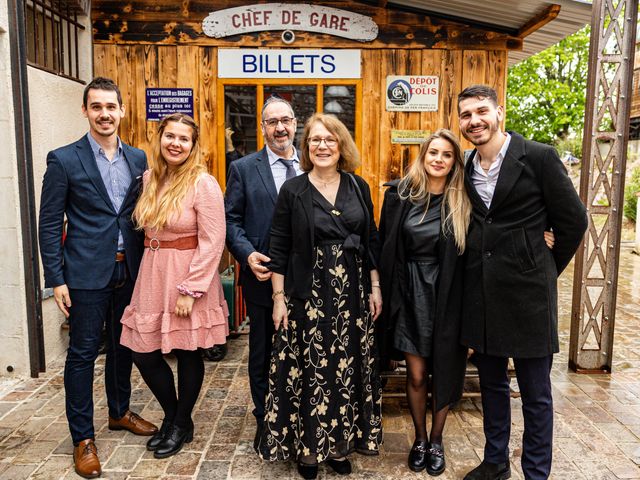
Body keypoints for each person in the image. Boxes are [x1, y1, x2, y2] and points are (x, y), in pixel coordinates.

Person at [457, 85, 587, 480]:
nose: (474, 121)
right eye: (466, 115)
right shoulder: (466, 165)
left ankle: (535, 473)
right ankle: (495, 463)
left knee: (535, 394)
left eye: (481, 111)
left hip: (530, 297)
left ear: (500, 112)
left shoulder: (540, 157)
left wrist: (545, 265)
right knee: (492, 386)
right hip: (483, 294)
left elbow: (574, 221)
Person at [38, 77, 157, 479]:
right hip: (85, 274)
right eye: (97, 107)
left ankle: (120, 411)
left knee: (124, 347)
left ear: (122, 111)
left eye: (111, 107)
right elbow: (50, 222)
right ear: (86, 111)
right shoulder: (64, 159)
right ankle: (82, 438)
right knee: (84, 354)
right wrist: (56, 278)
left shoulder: (139, 159)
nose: (105, 114)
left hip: (130, 270)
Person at [259, 113, 383, 480]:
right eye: (315, 140)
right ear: (307, 147)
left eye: (330, 139)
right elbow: (278, 246)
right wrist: (278, 298)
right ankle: (310, 449)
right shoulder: (294, 191)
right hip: (307, 294)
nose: (323, 146)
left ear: (341, 145)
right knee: (313, 370)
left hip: (352, 295)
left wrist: (375, 288)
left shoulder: (359, 186)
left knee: (346, 368)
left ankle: (341, 444)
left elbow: (371, 240)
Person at [119, 113, 228, 458]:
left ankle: (180, 423)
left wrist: (191, 289)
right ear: (160, 138)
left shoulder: (202, 183)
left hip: (187, 274)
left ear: (193, 146)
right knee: (142, 351)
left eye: (184, 139)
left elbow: (214, 240)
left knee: (187, 350)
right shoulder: (149, 178)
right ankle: (174, 414)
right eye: (170, 136)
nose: (175, 144)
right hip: (153, 273)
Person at [378, 129, 471, 476]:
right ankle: (419, 439)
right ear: (423, 155)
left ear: (454, 163)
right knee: (416, 375)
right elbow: (384, 247)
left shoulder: (464, 202)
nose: (439, 159)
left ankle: (437, 440)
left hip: (448, 298)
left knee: (444, 372)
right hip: (409, 293)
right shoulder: (400, 197)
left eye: (447, 155)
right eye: (433, 152)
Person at [225, 96, 302, 450]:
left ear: (295, 123)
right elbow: (231, 220)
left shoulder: (315, 164)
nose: (280, 127)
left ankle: (303, 416)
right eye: (272, 122)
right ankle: (265, 419)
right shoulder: (243, 168)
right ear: (262, 127)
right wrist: (245, 253)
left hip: (309, 280)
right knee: (263, 353)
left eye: (286, 120)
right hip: (262, 278)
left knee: (307, 351)